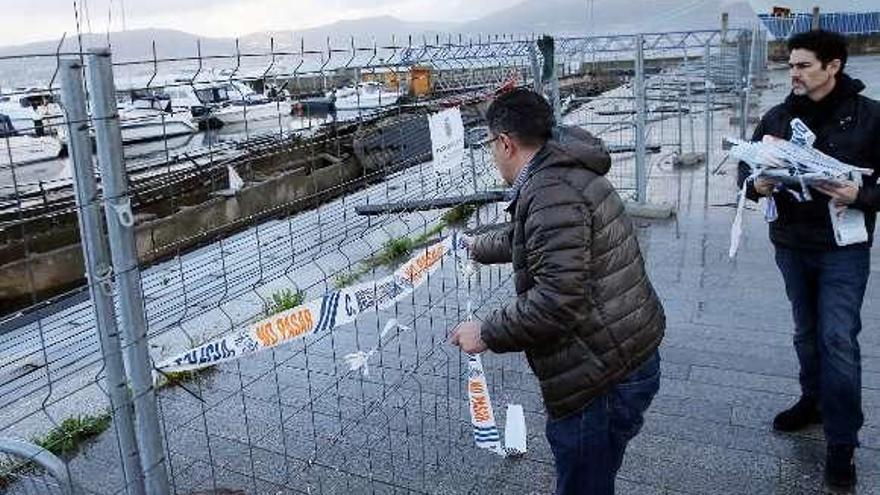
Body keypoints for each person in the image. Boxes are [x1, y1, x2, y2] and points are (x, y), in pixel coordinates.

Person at [449, 88, 665, 494]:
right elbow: (531, 237)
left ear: (505, 143)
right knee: (594, 475)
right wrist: (477, 246)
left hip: (600, 375)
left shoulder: (551, 192)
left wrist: (486, 332)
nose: (494, 157)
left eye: (491, 147)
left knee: (583, 483)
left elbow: (557, 301)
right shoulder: (563, 169)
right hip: (624, 350)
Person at [736, 30, 880, 491]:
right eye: (791, 65)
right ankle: (813, 400)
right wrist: (755, 185)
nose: (792, 73)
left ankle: (842, 444)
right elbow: (747, 168)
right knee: (806, 331)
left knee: (838, 337)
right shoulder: (778, 117)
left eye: (802, 65)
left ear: (833, 66)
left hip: (844, 245)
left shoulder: (871, 118)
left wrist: (862, 194)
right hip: (792, 243)